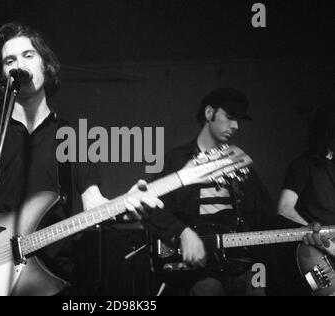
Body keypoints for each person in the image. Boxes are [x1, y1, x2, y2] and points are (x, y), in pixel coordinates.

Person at [0, 22, 163, 296]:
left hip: (51, 282)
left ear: (45, 65)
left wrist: (123, 207)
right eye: (10, 60)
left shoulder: (74, 136)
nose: (20, 65)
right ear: (3, 75)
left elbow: (93, 203)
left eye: (29, 55)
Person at [139, 88, 274, 296]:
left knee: (259, 286)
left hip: (241, 260)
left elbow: (265, 213)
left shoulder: (238, 162)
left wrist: (303, 230)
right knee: (209, 290)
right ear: (209, 113)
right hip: (197, 268)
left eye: (238, 120)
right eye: (229, 117)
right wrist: (182, 233)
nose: (236, 126)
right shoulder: (176, 160)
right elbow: (149, 207)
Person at [278, 105, 335, 255]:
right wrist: (316, 236)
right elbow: (284, 208)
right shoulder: (302, 165)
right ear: (329, 132)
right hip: (317, 252)